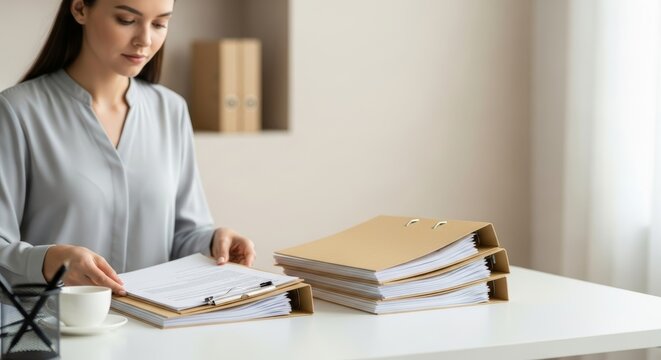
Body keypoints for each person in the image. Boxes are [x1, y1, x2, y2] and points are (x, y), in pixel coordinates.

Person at [0, 0, 255, 295]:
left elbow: (183, 234)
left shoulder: (170, 110)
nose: (145, 40)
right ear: (80, 9)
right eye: (126, 20)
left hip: (155, 330)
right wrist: (48, 261)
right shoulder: (17, 112)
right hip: (52, 331)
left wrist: (213, 242)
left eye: (159, 24)